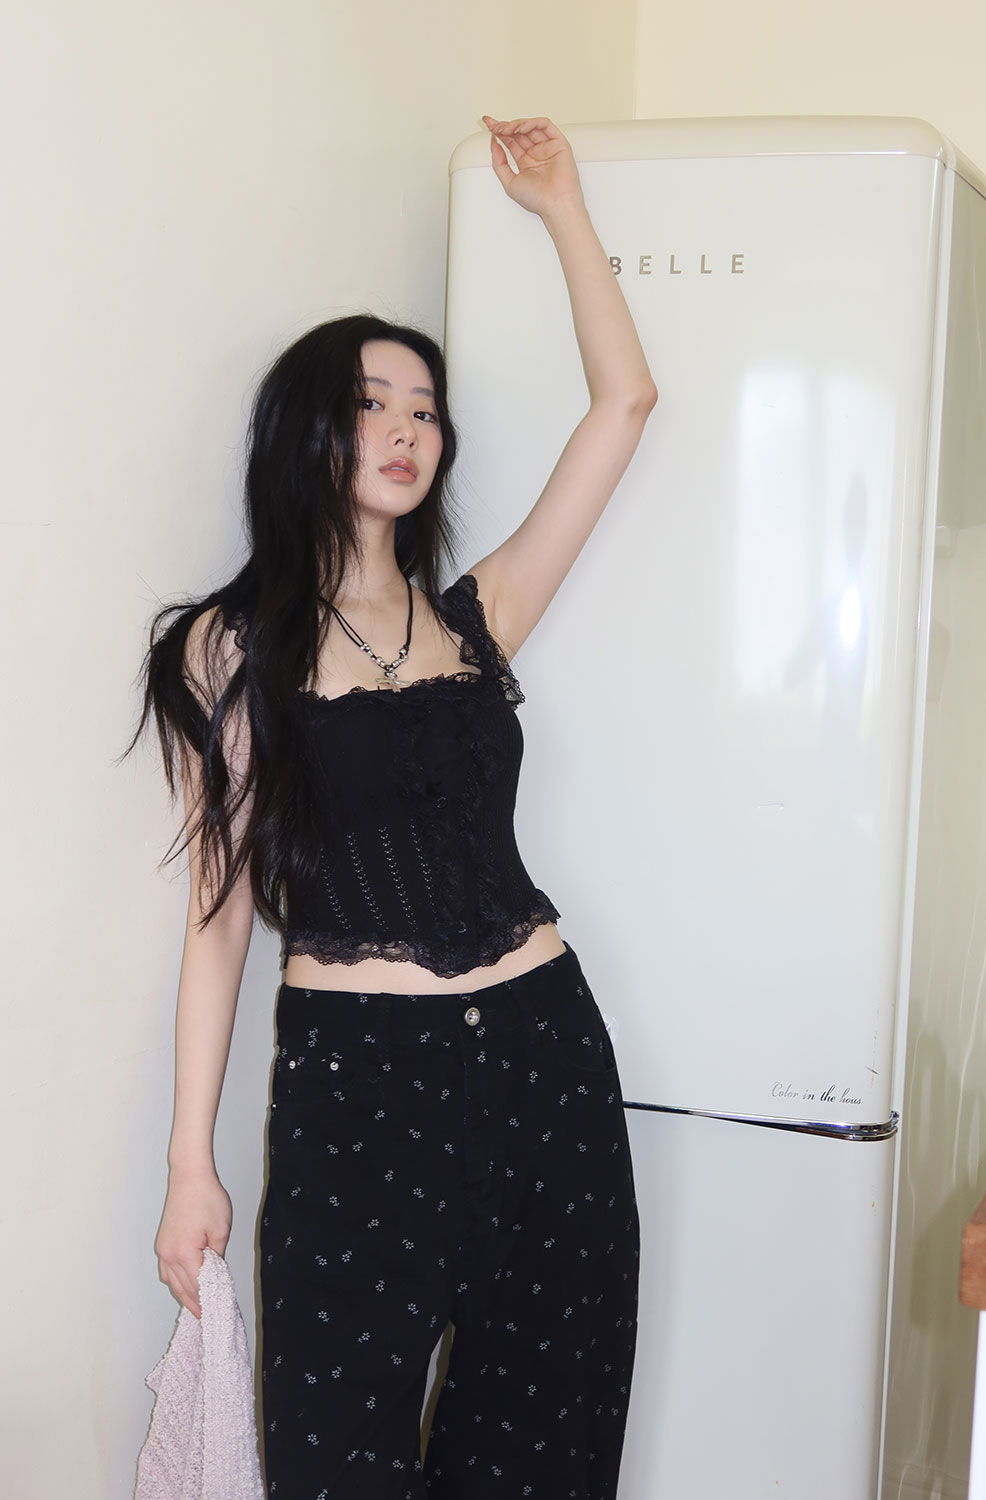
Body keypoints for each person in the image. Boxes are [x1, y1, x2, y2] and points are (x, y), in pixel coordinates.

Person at [125, 114, 657, 1499]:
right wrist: (189, 1167)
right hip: (358, 1091)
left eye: (425, 409)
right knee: (335, 1460)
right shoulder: (233, 649)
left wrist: (565, 209)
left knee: (544, 1450)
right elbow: (218, 922)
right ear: (308, 427)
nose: (408, 428)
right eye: (374, 402)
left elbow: (624, 408)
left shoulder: (480, 617)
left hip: (542, 1060)